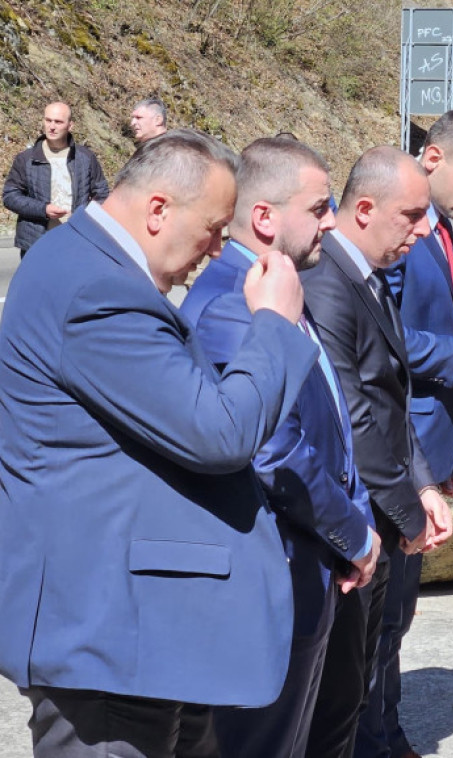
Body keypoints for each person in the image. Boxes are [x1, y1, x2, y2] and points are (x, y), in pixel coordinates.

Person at [0, 128, 318, 758]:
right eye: (213, 227)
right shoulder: (98, 290)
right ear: (157, 210)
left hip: (140, 628)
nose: (218, 246)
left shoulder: (94, 268)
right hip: (108, 634)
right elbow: (220, 433)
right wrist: (275, 326)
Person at [180, 137, 381, 758]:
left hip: (308, 569)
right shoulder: (233, 307)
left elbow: (326, 424)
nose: (331, 220)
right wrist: (356, 534)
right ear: (265, 217)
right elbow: (273, 451)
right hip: (272, 579)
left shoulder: (274, 283)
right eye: (319, 208)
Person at [361, 109, 453, 758]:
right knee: (380, 622)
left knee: (396, 619)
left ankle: (385, 735)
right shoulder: (406, 234)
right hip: (394, 457)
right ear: (433, 158)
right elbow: (377, 336)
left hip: (427, 455)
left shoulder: (440, 230)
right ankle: (376, 741)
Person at [302, 146, 453, 758]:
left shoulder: (366, 273)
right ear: (364, 209)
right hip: (352, 520)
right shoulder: (327, 283)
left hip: (384, 506)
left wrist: (423, 483)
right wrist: (407, 514)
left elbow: (393, 394)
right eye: (412, 215)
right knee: (340, 699)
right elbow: (354, 416)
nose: (424, 229)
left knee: (376, 654)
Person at [3, 101, 109, 258]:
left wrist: (83, 216)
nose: (52, 126)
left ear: (70, 125)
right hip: (36, 242)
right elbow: (10, 196)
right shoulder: (26, 158)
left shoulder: (85, 158)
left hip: (77, 240)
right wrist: (43, 209)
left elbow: (102, 195)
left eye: (58, 122)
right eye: (48, 120)